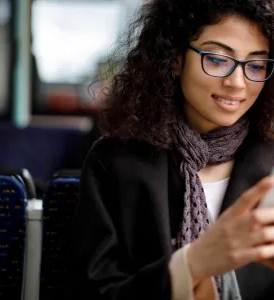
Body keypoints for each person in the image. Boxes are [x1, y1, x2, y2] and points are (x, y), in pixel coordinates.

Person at [72, 0, 274, 299]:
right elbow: (93, 293)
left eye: (256, 65)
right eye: (217, 59)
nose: (237, 82)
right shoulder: (115, 162)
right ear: (175, 58)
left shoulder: (270, 162)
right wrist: (191, 265)